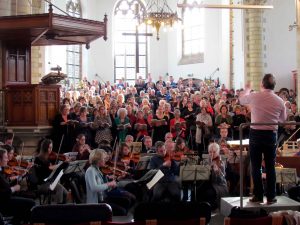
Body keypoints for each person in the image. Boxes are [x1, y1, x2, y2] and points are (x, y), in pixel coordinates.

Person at [239, 74, 287, 204]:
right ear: (274, 86)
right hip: (271, 134)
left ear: (262, 84)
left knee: (256, 166)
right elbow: (283, 120)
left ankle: (258, 196)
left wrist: (247, 89)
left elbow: (241, 100)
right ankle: (271, 196)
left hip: (256, 134)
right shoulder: (279, 101)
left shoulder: (255, 96)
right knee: (270, 166)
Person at [85, 149, 135, 215]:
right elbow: (94, 188)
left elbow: (105, 188)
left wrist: (117, 179)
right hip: (97, 203)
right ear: (98, 159)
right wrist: (109, 184)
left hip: (103, 198)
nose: (105, 160)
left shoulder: (98, 170)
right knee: (122, 211)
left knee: (127, 201)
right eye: (103, 158)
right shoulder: (91, 170)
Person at [0, 148, 35, 224]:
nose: (8, 160)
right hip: (3, 202)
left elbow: (5, 184)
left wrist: (18, 177)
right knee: (31, 203)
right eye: (5, 157)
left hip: (7, 198)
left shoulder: (1, 169)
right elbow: (1, 193)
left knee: (29, 201)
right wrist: (14, 189)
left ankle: (15, 222)